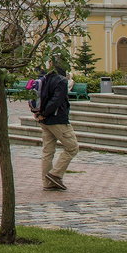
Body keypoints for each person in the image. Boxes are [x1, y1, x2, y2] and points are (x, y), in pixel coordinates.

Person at [34, 56, 79, 191]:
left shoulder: (44, 79)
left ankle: (47, 183)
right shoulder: (61, 81)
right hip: (57, 119)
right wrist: (46, 113)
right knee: (72, 147)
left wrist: (40, 114)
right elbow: (56, 100)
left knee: (48, 151)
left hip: (44, 120)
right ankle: (55, 174)